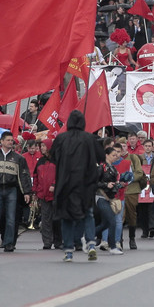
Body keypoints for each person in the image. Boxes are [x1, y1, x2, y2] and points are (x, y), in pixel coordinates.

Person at [51, 110, 103, 262]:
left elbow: (53, 157)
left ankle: (68, 251)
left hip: (65, 184)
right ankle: (91, 244)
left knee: (66, 217)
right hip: (85, 183)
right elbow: (101, 156)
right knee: (88, 213)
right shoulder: (89, 138)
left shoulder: (61, 138)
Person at [0, 132, 33, 252]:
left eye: (12, 140)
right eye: (8, 140)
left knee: (11, 218)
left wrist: (27, 192)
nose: (11, 142)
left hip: (11, 189)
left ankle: (8, 242)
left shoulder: (18, 158)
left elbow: (23, 176)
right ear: (2, 142)